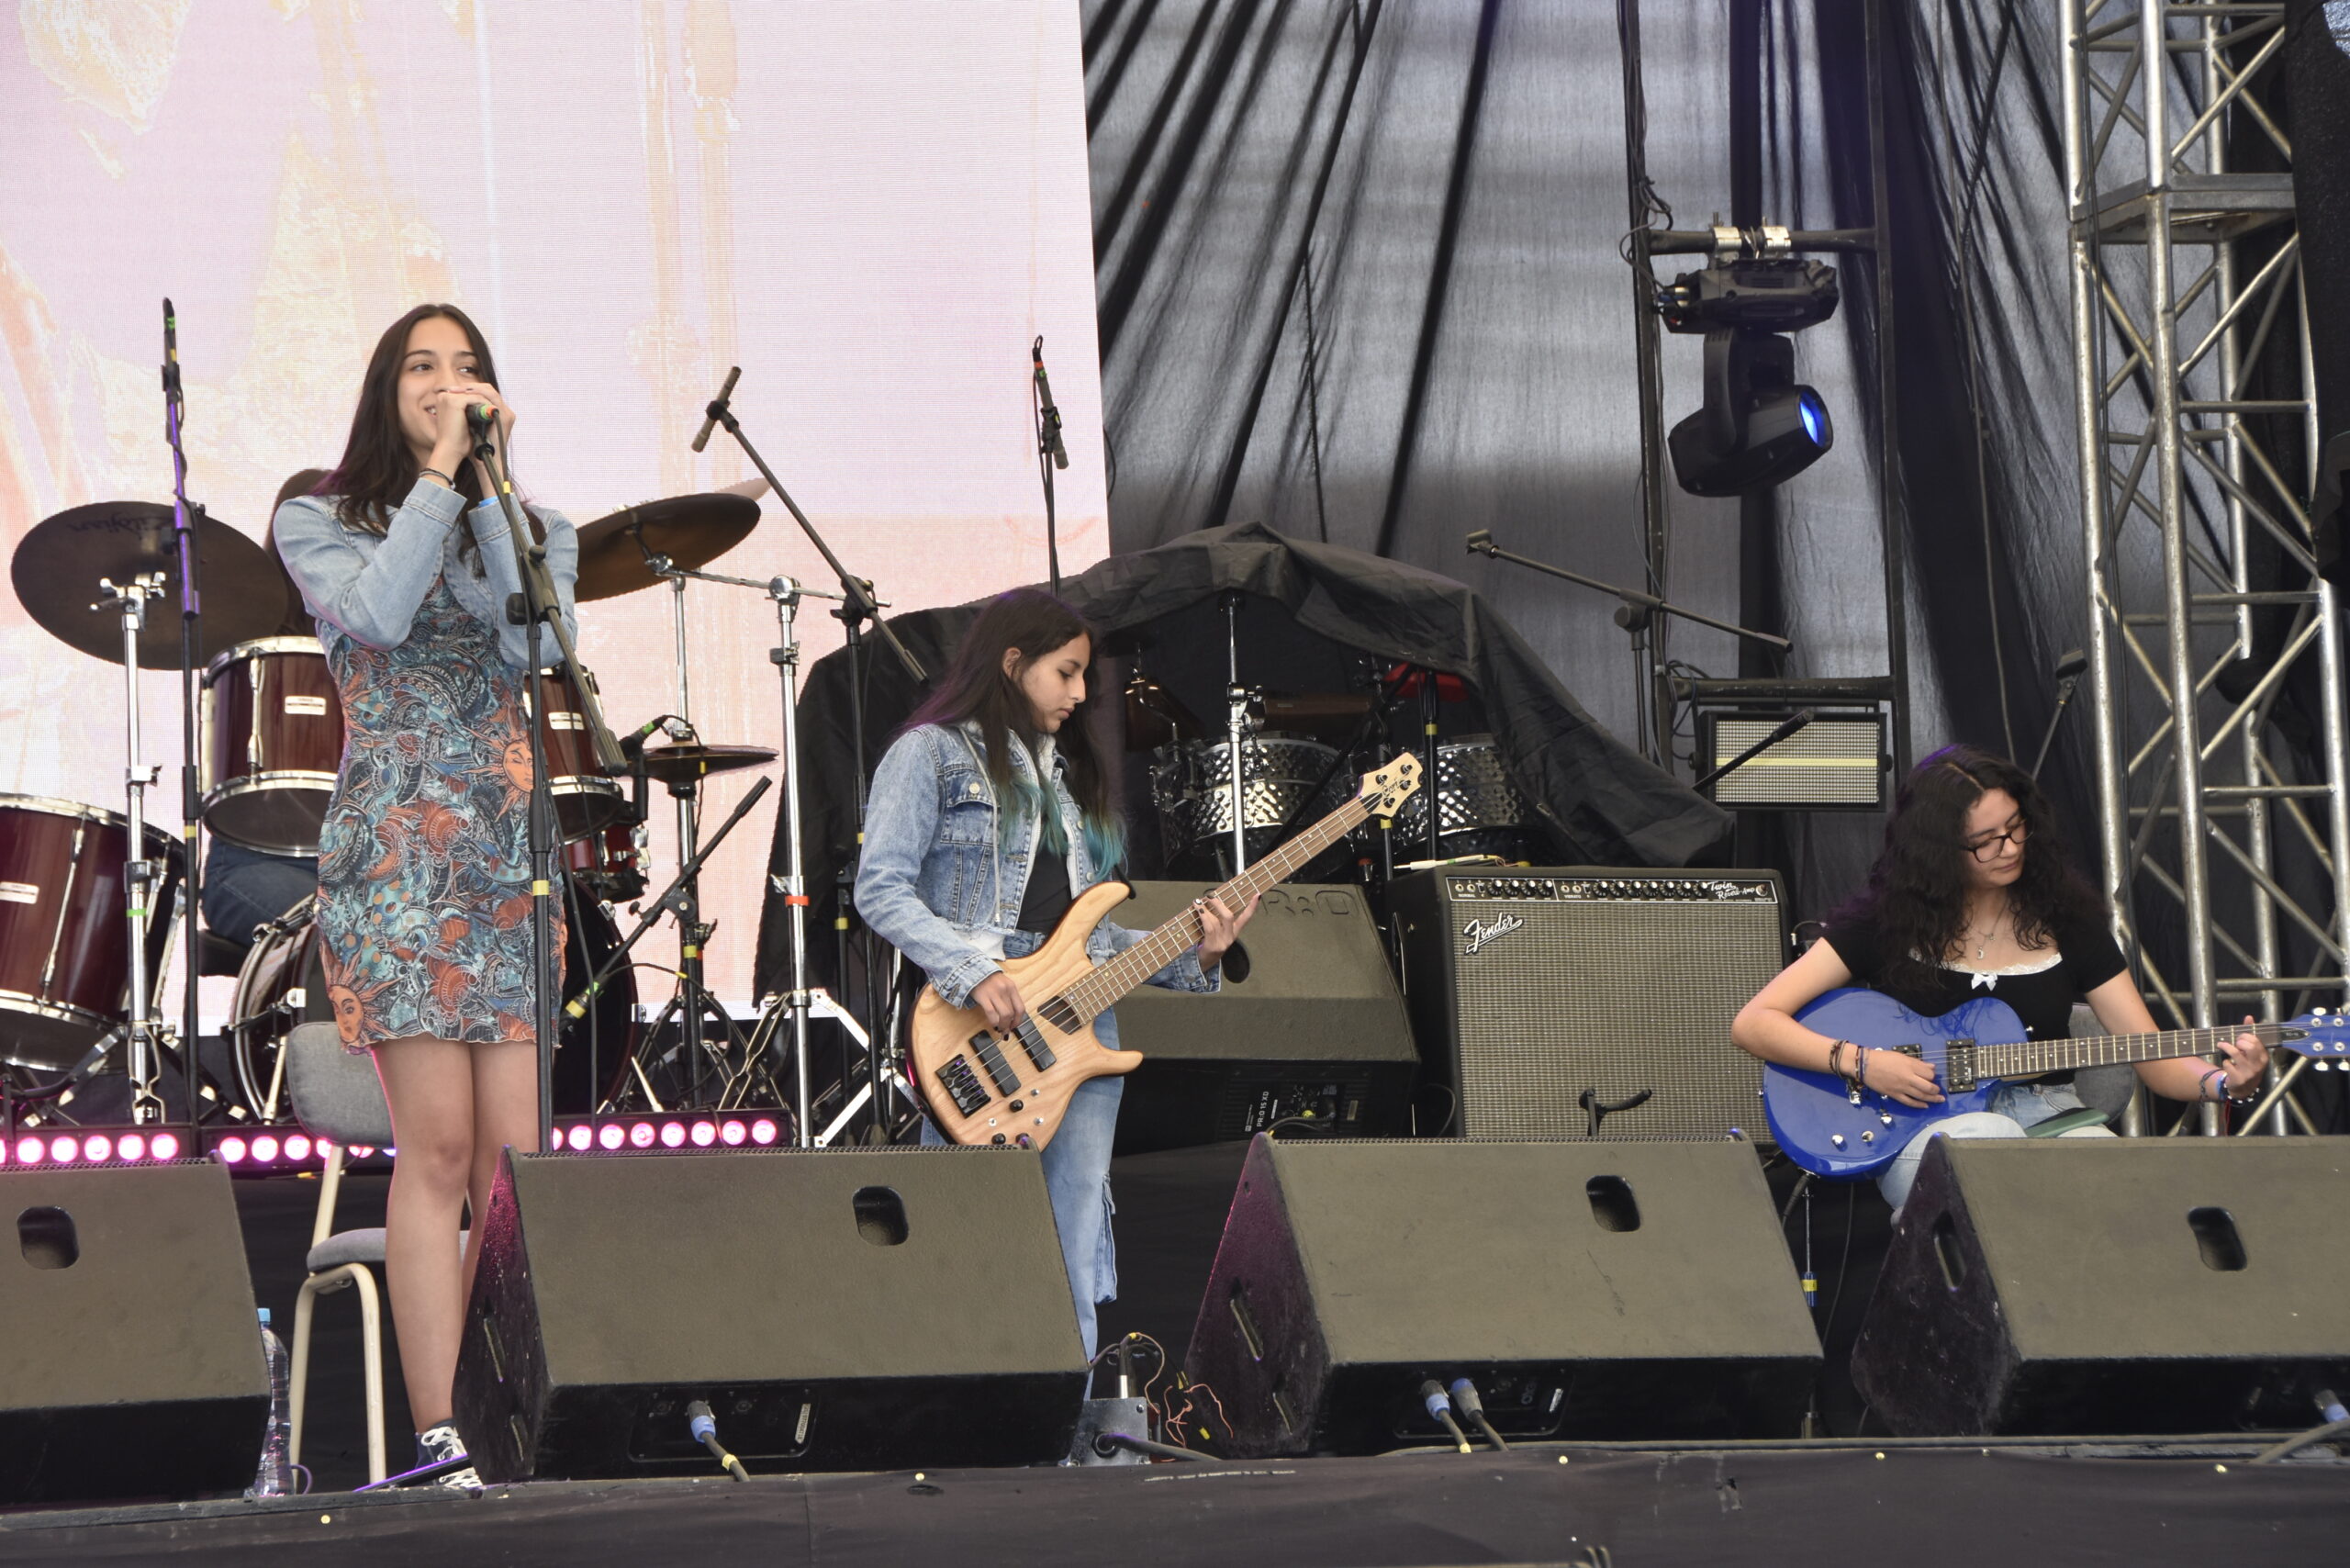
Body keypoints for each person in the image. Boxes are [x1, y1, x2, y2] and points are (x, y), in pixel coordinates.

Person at [273, 302, 578, 1488]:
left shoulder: (536, 532)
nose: (447, 383)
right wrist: (443, 477)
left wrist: (489, 496)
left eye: (467, 367)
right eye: (422, 367)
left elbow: (535, 649)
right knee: (439, 1148)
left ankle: (517, 1418)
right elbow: (379, 614)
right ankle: (444, 1433)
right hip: (398, 861)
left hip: (506, 861)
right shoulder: (318, 519)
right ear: (384, 389)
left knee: (516, 1164)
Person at [856, 588, 1258, 1359]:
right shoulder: (930, 753)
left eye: (1083, 678)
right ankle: (966, 1410)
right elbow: (880, 887)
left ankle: (1072, 1419)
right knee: (972, 1243)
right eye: (1066, 672)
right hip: (981, 1025)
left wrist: (1198, 952)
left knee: (1071, 1246)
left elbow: (1093, 940)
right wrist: (971, 970)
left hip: (1077, 1035)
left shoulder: (1069, 786)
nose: (1079, 694)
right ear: (1013, 663)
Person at [1731, 745, 2267, 1213]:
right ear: (1937, 852)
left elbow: (2152, 1053)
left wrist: (2224, 1083)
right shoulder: (1885, 923)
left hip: (2049, 1115)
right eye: (1984, 841)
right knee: (1990, 1146)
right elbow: (1754, 1023)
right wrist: (1865, 1063)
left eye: (2015, 827)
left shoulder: (2070, 923)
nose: (2009, 847)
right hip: (1922, 1125)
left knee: (2120, 1184)